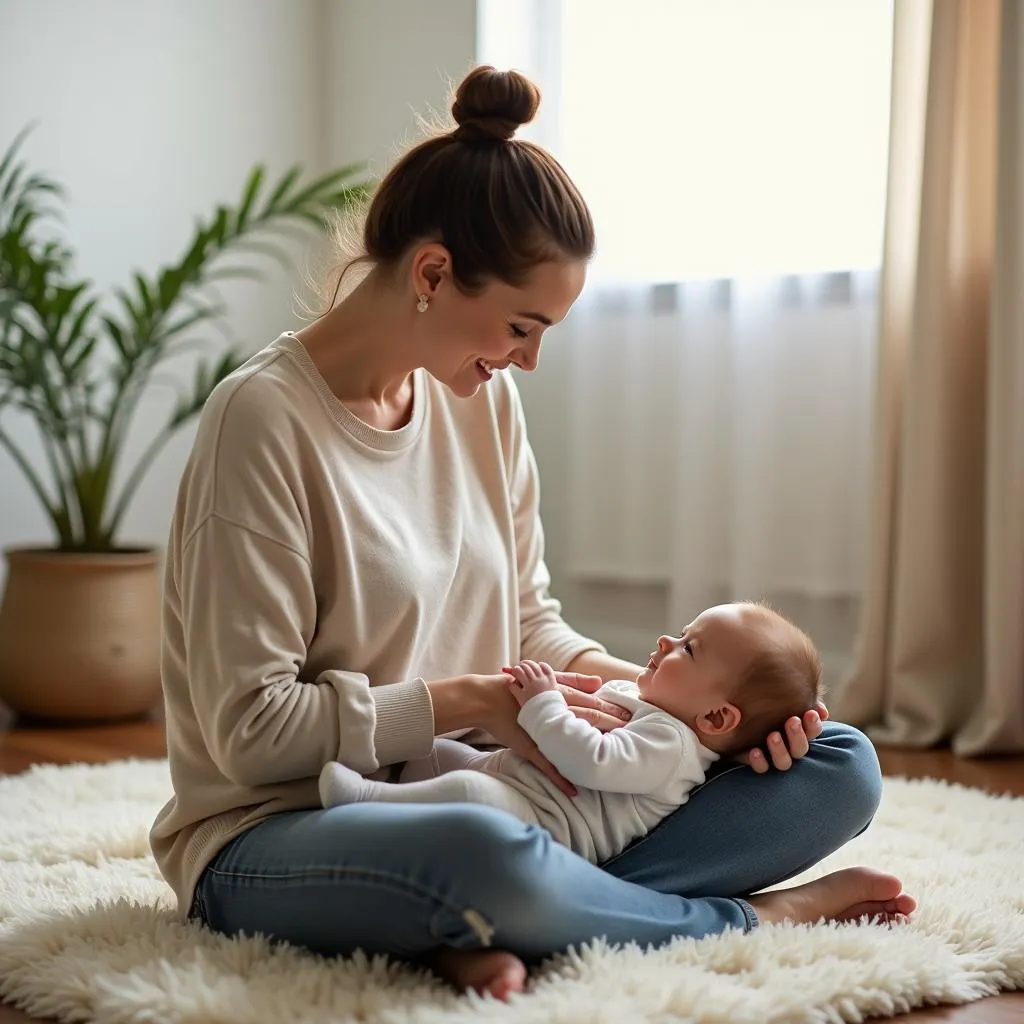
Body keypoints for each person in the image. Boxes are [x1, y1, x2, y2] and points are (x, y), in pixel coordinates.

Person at [150, 65, 915, 1002]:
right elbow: (252, 736)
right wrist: (471, 701)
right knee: (478, 845)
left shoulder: (486, 405)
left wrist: (694, 715)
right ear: (432, 272)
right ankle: (743, 914)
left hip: (510, 791)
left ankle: (520, 913)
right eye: (522, 325)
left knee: (838, 765)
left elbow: (531, 628)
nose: (529, 358)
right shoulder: (261, 422)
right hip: (282, 828)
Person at [319, 602, 824, 865]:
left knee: (469, 793)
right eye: (681, 632)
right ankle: (405, 799)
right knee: (441, 754)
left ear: (715, 720)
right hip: (515, 775)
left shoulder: (671, 749)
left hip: (543, 825)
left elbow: (592, 759)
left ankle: (365, 799)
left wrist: (542, 702)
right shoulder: (660, 710)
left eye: (688, 649)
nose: (667, 640)